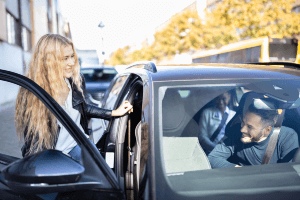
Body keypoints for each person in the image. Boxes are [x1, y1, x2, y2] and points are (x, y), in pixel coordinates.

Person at [15, 34, 133, 161]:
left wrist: (113, 113)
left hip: (78, 144)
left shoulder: (74, 81)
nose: (71, 63)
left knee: (103, 174)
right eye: (65, 58)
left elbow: (83, 108)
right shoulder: (33, 92)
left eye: (72, 56)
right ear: (49, 61)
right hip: (54, 154)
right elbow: (35, 142)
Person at [208, 104, 299, 168]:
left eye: (250, 127)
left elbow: (289, 173)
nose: (242, 129)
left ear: (267, 130)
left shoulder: (287, 137)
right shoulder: (236, 132)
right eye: (243, 122)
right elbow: (213, 157)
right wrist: (241, 171)